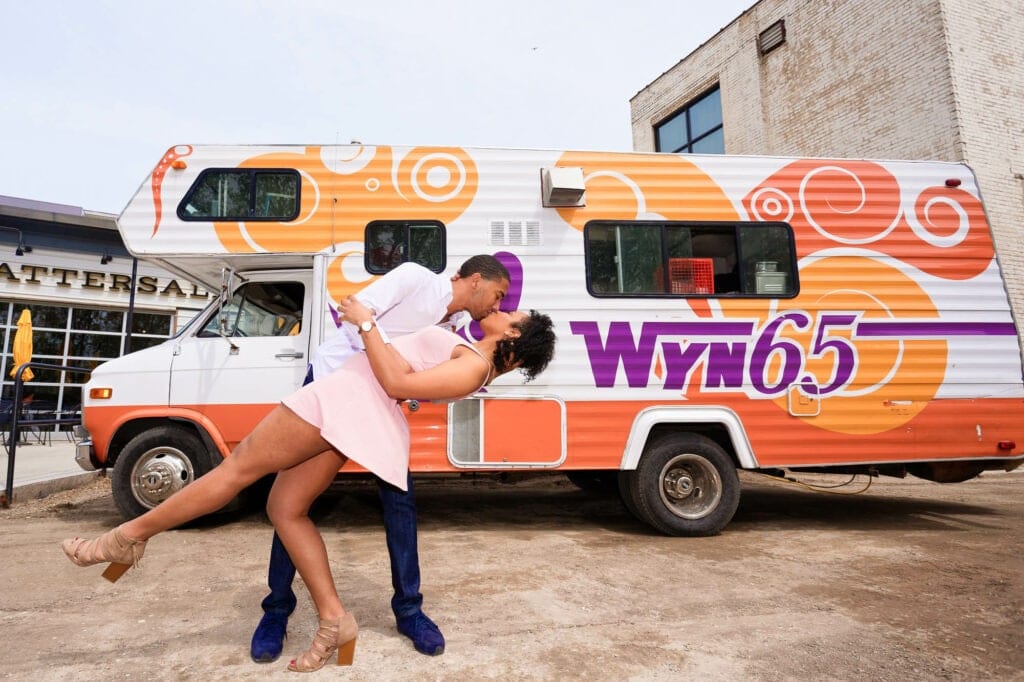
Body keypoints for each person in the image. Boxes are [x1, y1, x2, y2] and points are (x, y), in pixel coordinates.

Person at [62, 298, 556, 673]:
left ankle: (125, 539)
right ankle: (335, 619)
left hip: (338, 407)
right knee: (286, 510)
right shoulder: (467, 352)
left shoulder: (473, 366)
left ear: (514, 335)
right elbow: (404, 370)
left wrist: (366, 323)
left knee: (234, 472)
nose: (503, 307)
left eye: (512, 312)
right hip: (346, 412)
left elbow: (397, 385)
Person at [252, 255, 511, 663]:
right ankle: (276, 611)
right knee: (292, 500)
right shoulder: (415, 278)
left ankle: (409, 611)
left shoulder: (456, 331)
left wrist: (405, 382)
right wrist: (392, 366)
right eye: (498, 295)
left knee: (400, 499)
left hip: (382, 404)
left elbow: (426, 381)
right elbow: (354, 316)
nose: (496, 306)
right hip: (333, 385)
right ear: (476, 280)